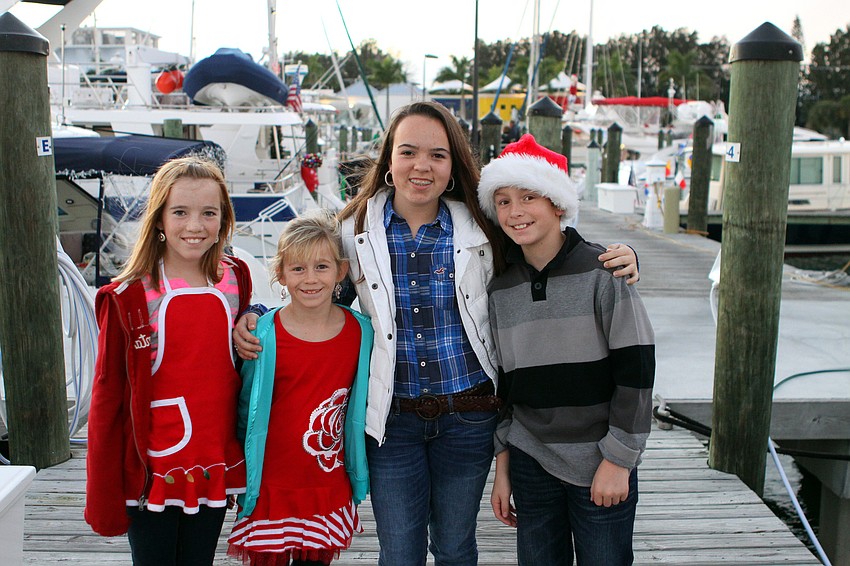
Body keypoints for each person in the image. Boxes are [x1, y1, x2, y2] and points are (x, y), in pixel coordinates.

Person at [234, 101, 640, 566]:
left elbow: (547, 249)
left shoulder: (484, 227)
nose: (421, 166)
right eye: (408, 152)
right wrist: (258, 314)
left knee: (454, 547)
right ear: (389, 162)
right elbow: (317, 292)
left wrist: (622, 256)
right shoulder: (353, 229)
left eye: (437, 155)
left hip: (468, 417)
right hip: (391, 421)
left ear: (452, 168)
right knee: (399, 553)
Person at [478, 134, 655, 565]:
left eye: (529, 197)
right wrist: (503, 466)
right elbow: (505, 385)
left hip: (600, 460)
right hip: (531, 460)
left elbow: (636, 370)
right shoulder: (500, 288)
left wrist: (620, 460)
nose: (515, 212)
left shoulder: (604, 273)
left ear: (557, 204)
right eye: (503, 201)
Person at [85, 156, 252, 566]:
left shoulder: (235, 278)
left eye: (208, 213)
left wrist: (254, 316)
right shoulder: (129, 295)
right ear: (159, 218)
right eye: (180, 212)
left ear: (224, 220)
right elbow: (107, 398)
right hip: (153, 468)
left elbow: (242, 352)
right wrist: (102, 491)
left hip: (214, 457)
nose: (195, 225)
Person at [226, 210, 373, 566]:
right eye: (298, 268)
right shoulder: (261, 333)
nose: (310, 279)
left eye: (321, 267)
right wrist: (238, 470)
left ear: (340, 271)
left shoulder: (362, 333)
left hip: (327, 483)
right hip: (270, 484)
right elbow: (243, 407)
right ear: (280, 273)